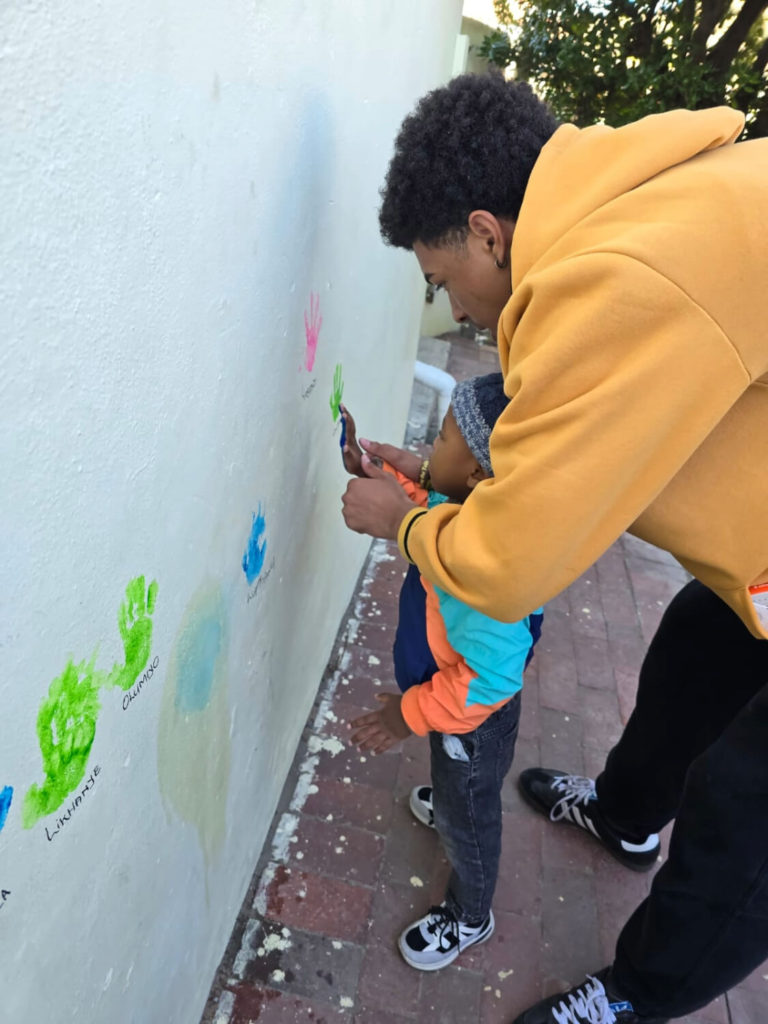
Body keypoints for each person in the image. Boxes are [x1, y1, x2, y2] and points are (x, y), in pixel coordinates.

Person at [340, 71, 768, 1024]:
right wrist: (426, 475)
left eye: (444, 279)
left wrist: (401, 522)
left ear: (489, 233)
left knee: (747, 815)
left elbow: (513, 558)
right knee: (701, 643)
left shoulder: (631, 281)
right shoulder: (619, 214)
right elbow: (535, 441)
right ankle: (624, 819)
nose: (452, 309)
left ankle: (638, 997)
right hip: (758, 559)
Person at [340, 374, 543, 971]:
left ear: (481, 472)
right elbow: (429, 507)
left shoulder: (482, 580)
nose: (433, 444)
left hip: (471, 717)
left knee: (470, 814)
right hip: (461, 713)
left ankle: (471, 914)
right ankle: (458, 796)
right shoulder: (471, 514)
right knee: (462, 780)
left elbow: (491, 680)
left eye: (446, 437)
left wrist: (406, 716)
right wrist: (383, 475)